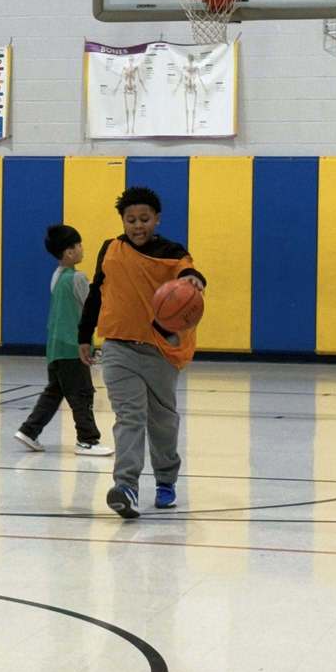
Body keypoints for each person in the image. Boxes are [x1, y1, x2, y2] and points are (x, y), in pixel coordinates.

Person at [78, 187, 206, 518]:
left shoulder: (172, 252)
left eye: (145, 219)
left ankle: (166, 480)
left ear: (157, 219)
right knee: (129, 417)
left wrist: (193, 280)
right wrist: (84, 334)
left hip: (160, 350)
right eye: (131, 220)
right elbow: (96, 292)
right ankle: (126, 487)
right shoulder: (110, 249)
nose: (138, 226)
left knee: (162, 421)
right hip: (118, 347)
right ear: (122, 220)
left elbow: (188, 272)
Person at [13, 225, 113, 457]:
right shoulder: (78, 278)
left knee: (55, 391)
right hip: (72, 347)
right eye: (78, 245)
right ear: (69, 252)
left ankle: (29, 430)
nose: (81, 249)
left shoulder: (57, 276)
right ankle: (87, 440)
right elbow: (92, 309)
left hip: (55, 346)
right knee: (82, 393)